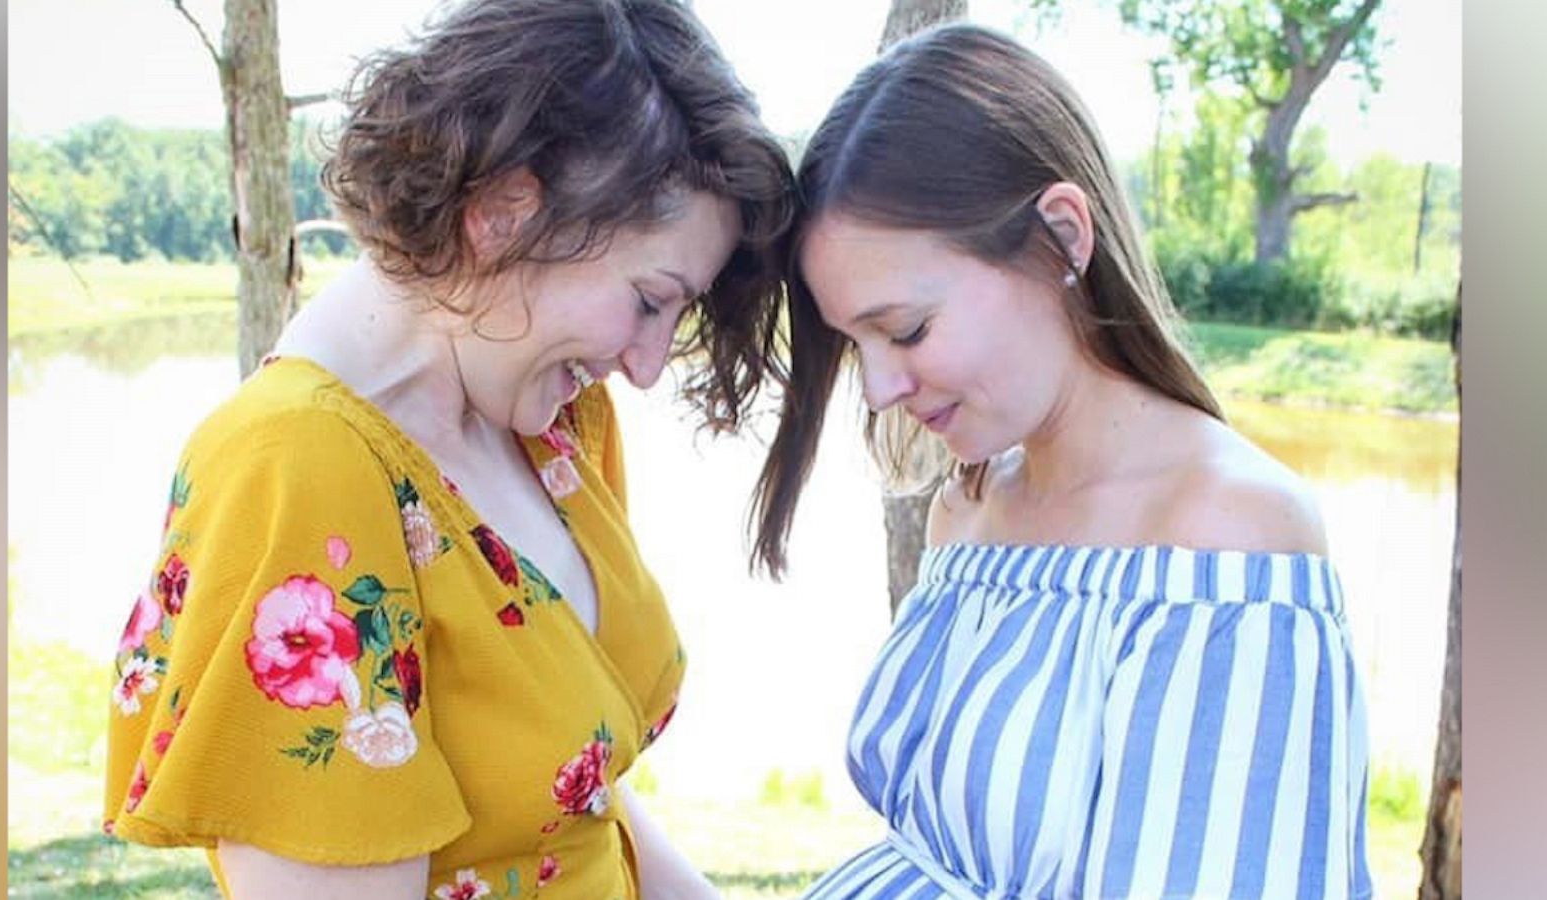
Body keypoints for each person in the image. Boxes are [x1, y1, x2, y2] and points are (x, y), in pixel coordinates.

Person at [102, 1, 793, 897]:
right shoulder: (301, 471)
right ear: (505, 212)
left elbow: (578, 797)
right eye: (650, 299)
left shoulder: (555, 426)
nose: (648, 364)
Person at [749, 24, 1372, 900]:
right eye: (858, 345)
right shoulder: (968, 509)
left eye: (907, 329)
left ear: (1062, 236)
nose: (883, 385)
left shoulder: (1225, 535)